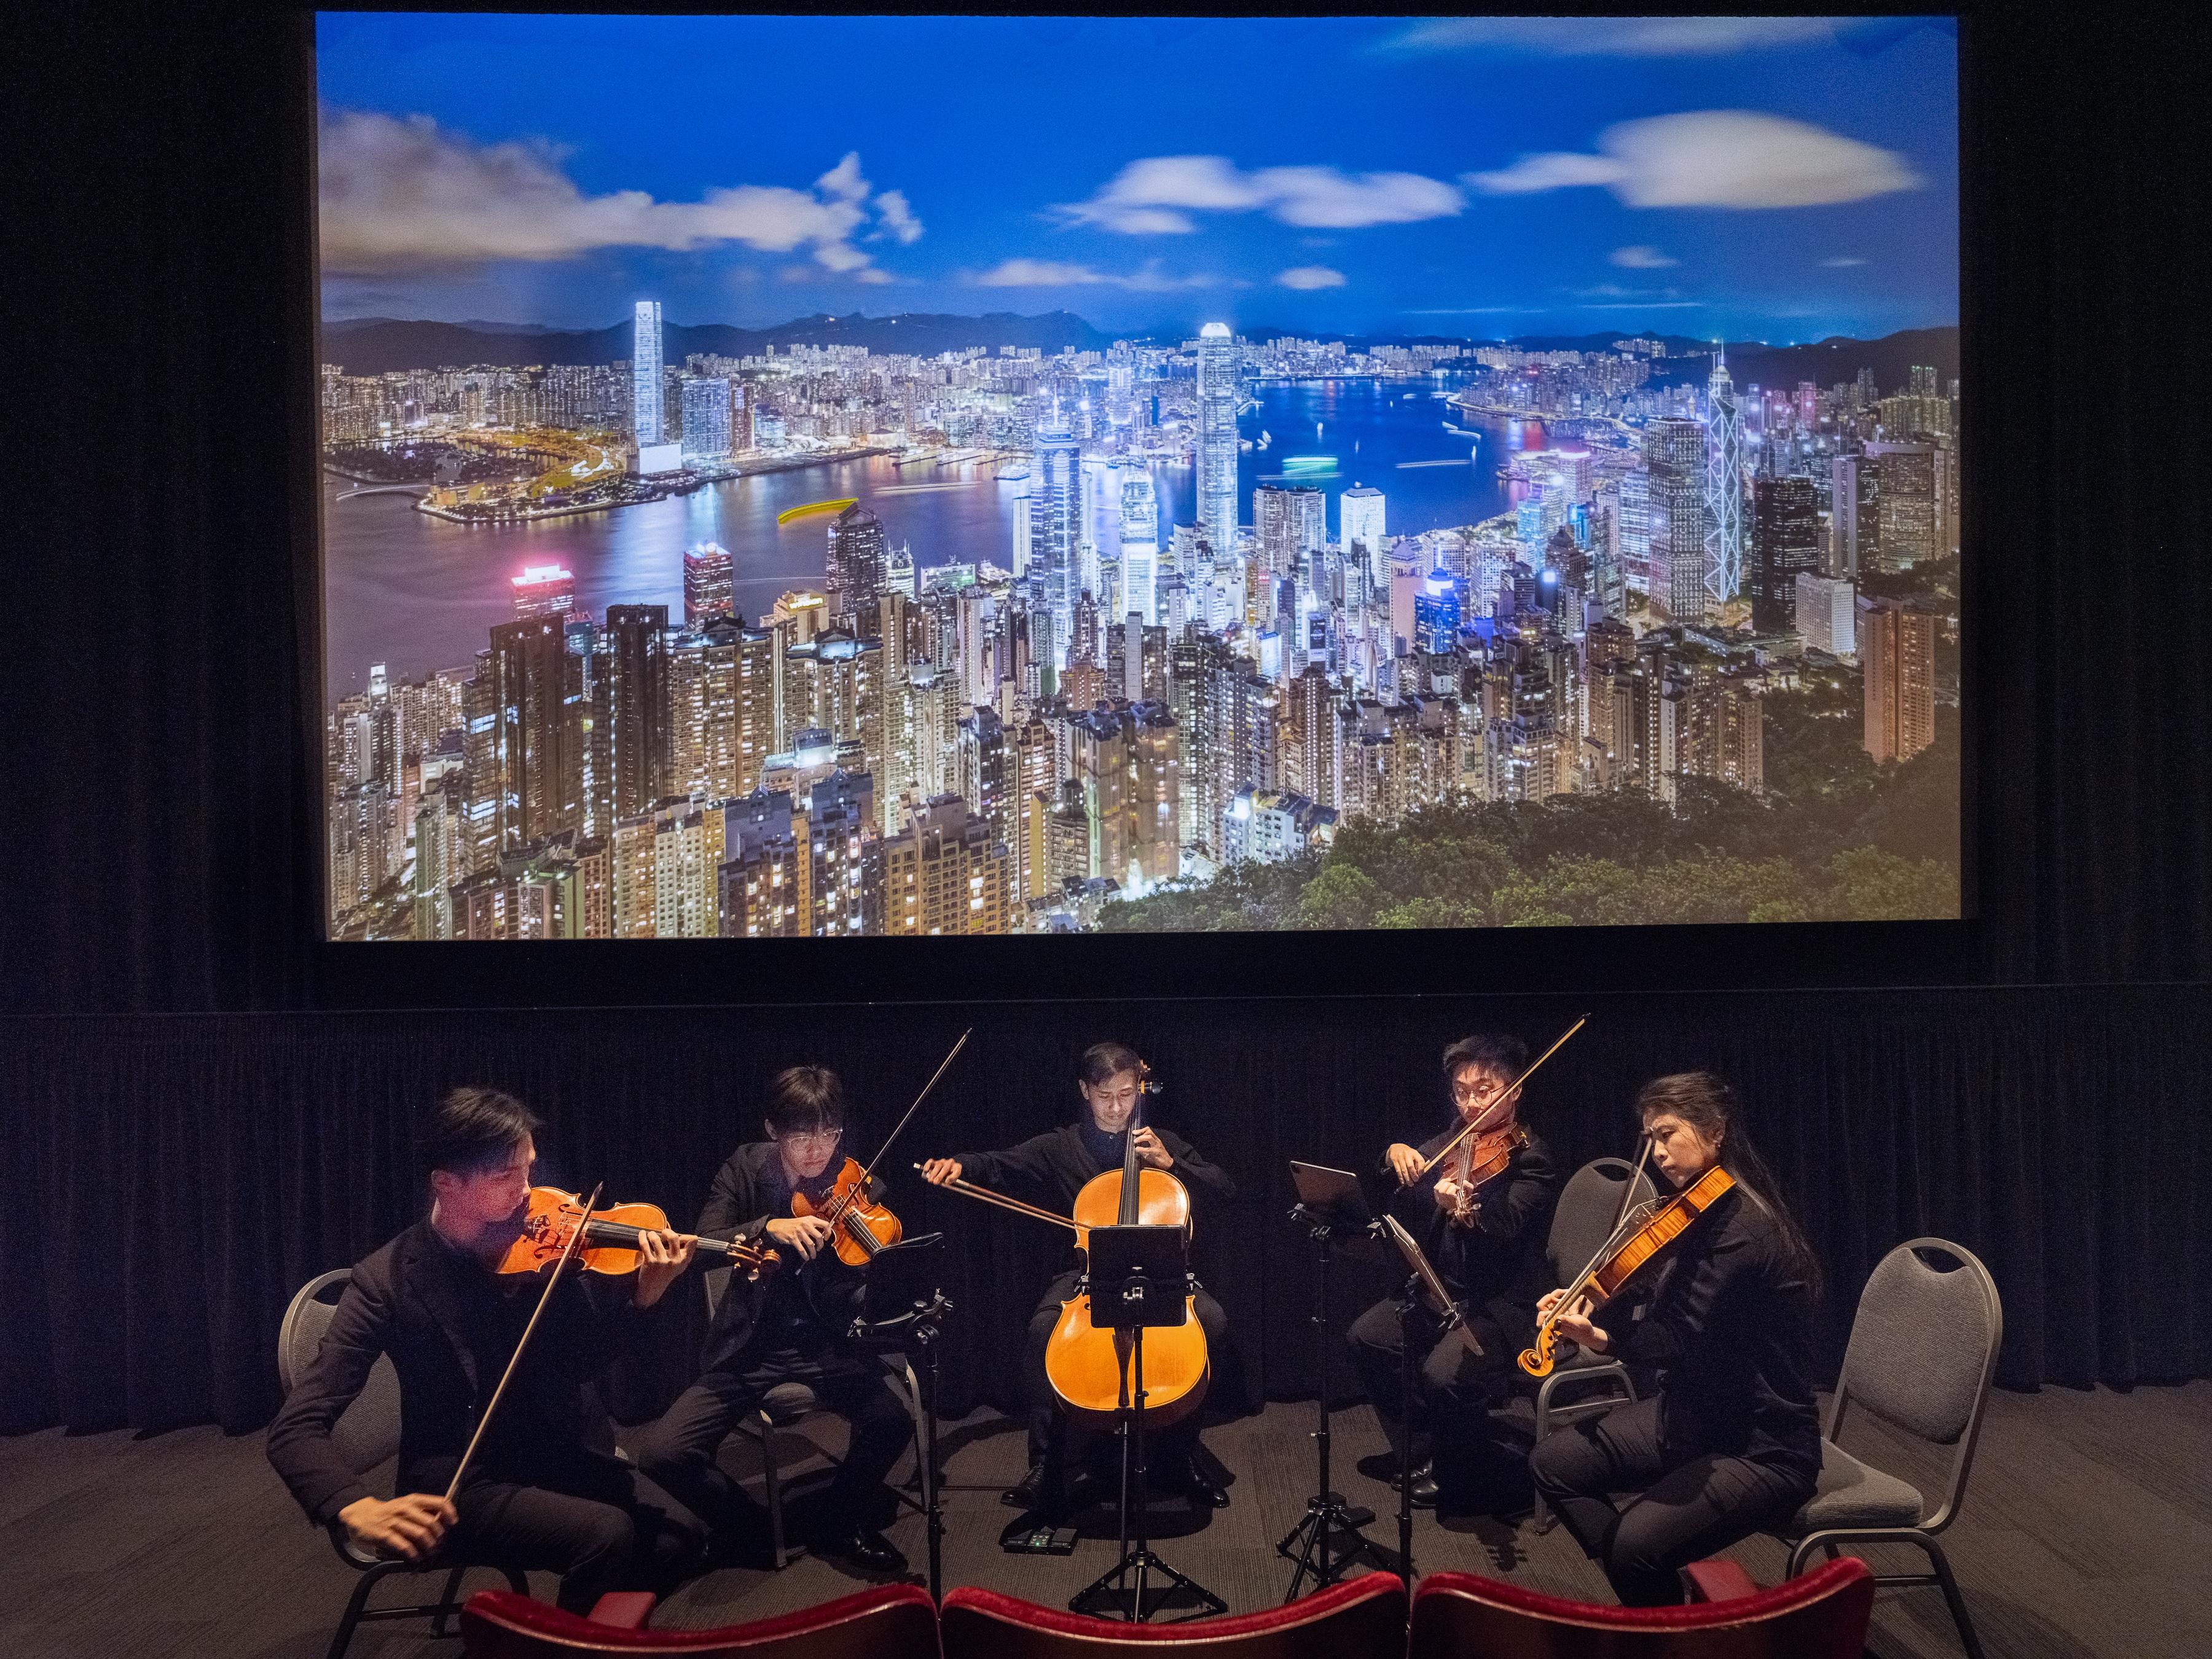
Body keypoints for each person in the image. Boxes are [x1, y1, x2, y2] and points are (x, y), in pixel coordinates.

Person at [267, 1088, 705, 1614]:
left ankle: (584, 1637)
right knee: (606, 1536)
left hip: (554, 1449)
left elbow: (583, 1361)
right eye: (506, 1177)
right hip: (464, 1479)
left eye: (529, 1170)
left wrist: (645, 1297)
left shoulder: (541, 1248)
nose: (529, 1193)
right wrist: (351, 1504)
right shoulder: (385, 1282)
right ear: (446, 1185)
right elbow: (296, 1427)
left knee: (682, 1536)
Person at [1529, 1071, 1823, 1606]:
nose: (1657, 1152)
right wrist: (1589, 1300)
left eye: (1667, 1134)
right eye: (1650, 1139)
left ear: (1716, 1132)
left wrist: (1599, 1336)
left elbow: (1673, 1338)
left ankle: (1653, 1598)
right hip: (1691, 1413)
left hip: (1761, 1444)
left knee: (1634, 1548)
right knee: (1554, 1463)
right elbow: (1654, 1298)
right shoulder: (1698, 1211)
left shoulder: (1742, 1231)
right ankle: (1657, 1601)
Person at [919, 1041, 1236, 1516]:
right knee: (1043, 1331)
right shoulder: (1059, 1147)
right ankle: (1046, 1463)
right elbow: (999, 1164)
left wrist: (1174, 1166)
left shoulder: (1160, 1141)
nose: (1117, 1108)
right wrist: (959, 1165)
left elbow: (1225, 1190)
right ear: (1085, 1091)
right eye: (1105, 1096)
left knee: (1210, 1322)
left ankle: (1183, 1456)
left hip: (1164, 1276)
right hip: (1086, 1275)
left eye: (1127, 1095)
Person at [631, 1066, 912, 1574]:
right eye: (802, 1135)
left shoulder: (852, 1180)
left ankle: (841, 1521)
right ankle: (752, 1529)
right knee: (661, 1451)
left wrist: (868, 1263)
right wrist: (768, 1226)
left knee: (892, 1421)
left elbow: (879, 1271)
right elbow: (704, 1246)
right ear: (772, 1130)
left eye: (830, 1134)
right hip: (752, 1346)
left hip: (828, 1345)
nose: (817, 1151)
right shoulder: (743, 1169)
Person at [1346, 1032, 1558, 1513]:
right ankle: (1419, 1452)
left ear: (1515, 1089)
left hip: (1498, 1303)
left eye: (1484, 1090)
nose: (1472, 1102)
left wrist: (1470, 1208)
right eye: (1462, 1091)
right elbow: (1394, 1180)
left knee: (1445, 1376)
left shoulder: (1532, 1158)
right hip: (1441, 1291)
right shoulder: (1452, 1140)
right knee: (1369, 1337)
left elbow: (1507, 1226)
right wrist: (1393, 1153)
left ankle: (1459, 1475)